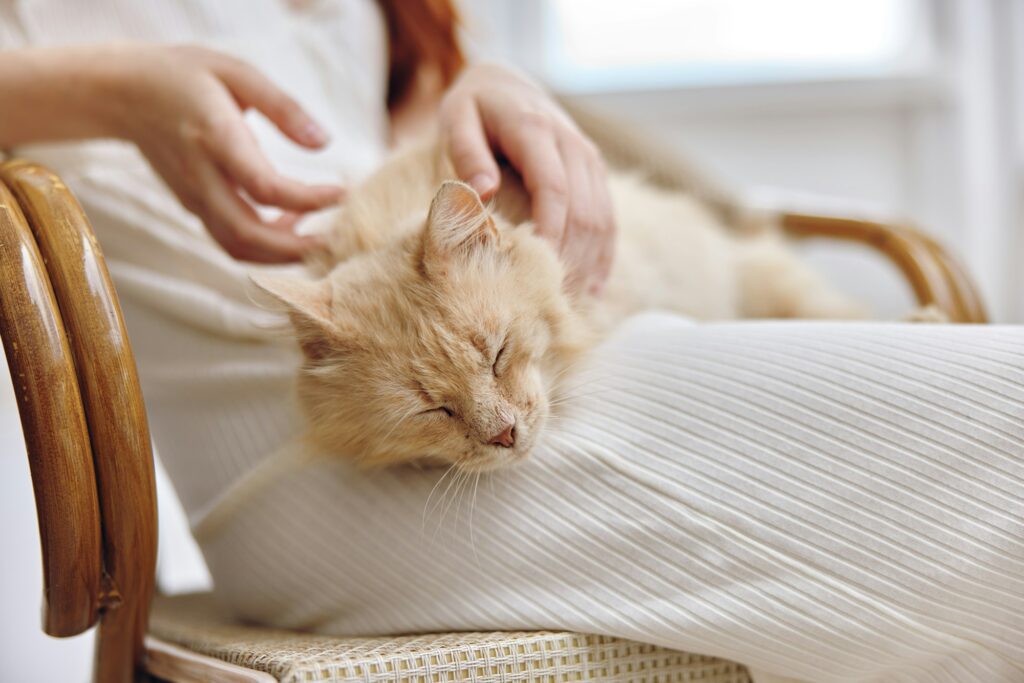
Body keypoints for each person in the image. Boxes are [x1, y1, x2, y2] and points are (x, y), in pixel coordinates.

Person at [1, 3, 1021, 682]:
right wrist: (110, 88)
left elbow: (400, 114)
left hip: (449, 291)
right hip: (294, 427)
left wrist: (478, 96)